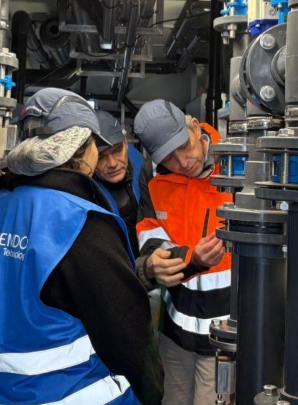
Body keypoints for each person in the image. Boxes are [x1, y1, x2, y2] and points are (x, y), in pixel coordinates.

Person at [0, 88, 151, 405]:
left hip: (0, 392)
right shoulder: (81, 220)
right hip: (79, 393)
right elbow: (127, 327)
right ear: (82, 150)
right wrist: (153, 391)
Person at [133, 99, 233, 405]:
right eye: (168, 157)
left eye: (183, 146)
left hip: (226, 334)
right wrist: (154, 264)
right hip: (176, 332)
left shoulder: (236, 162)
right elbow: (151, 239)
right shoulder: (153, 176)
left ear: (195, 127)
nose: (182, 162)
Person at [93, 110, 144, 258]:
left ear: (126, 143)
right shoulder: (86, 194)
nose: (113, 164)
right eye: (101, 157)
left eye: (117, 151)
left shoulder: (139, 162)